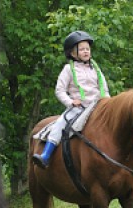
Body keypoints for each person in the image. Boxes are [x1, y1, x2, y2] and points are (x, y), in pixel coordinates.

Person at [32, 30, 110, 168]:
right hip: (78, 108)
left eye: (87, 49)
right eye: (82, 49)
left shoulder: (96, 69)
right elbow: (60, 90)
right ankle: (46, 155)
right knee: (60, 124)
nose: (86, 52)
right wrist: (70, 102)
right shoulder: (68, 69)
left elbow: (104, 89)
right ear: (73, 53)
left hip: (97, 106)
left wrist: (108, 103)